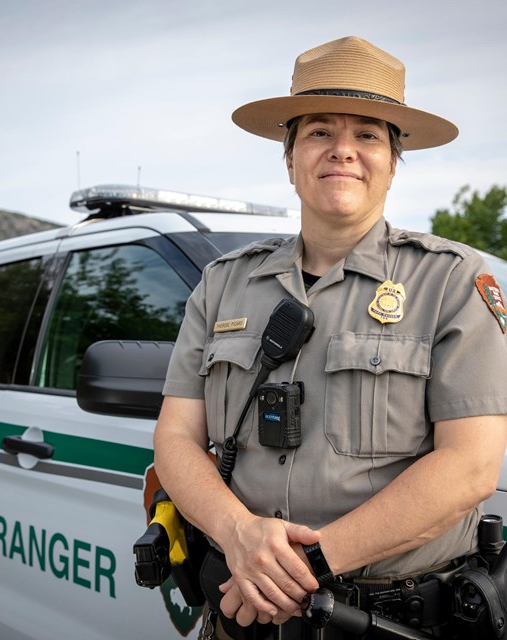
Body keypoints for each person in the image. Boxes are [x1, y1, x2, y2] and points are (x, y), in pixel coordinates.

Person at [153, 36, 507, 639]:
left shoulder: (451, 281)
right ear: (289, 158)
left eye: (367, 134)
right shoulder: (221, 287)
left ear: (393, 161)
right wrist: (238, 532)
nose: (342, 151)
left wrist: (301, 568)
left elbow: (470, 465)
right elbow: (176, 437)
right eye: (319, 131)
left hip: (383, 624)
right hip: (240, 620)